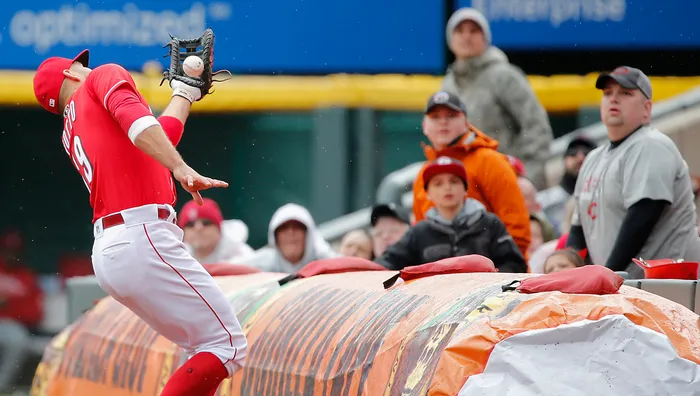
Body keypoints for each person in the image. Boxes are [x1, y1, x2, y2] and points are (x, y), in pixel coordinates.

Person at [32, 49, 247, 395]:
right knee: (228, 345)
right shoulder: (101, 77)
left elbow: (155, 139)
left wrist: (184, 93)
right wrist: (179, 167)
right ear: (70, 75)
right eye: (79, 65)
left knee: (204, 346)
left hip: (113, 248)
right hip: (142, 235)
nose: (86, 67)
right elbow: (139, 127)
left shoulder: (72, 127)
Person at [567, 66, 700, 278]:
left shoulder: (652, 145)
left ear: (647, 109)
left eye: (626, 93)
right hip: (625, 286)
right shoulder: (593, 158)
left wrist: (606, 275)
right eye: (608, 93)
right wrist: (566, 269)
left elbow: (641, 219)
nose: (614, 99)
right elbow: (577, 231)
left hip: (667, 286)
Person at [442, 7, 553, 189]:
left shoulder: (505, 76)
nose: (466, 37)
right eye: (459, 31)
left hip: (504, 182)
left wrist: (526, 179)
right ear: (450, 40)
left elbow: (536, 127)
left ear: (485, 38)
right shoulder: (448, 84)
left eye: (474, 31)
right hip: (463, 188)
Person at [412, 91, 531, 258]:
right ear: (424, 126)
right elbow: (421, 237)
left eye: (451, 115)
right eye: (435, 116)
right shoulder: (423, 174)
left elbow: (517, 230)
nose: (443, 122)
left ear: (466, 122)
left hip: (494, 274)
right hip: (441, 277)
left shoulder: (490, 161)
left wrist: (502, 271)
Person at [378, 157, 527, 273]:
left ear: (465, 189)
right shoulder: (419, 232)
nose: (447, 187)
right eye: (438, 183)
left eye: (454, 181)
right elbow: (388, 262)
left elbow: (514, 264)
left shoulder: (489, 223)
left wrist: (489, 282)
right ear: (428, 194)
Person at [241, 203, 337, 273]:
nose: (291, 233)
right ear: (275, 237)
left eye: (297, 227)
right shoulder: (260, 265)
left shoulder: (327, 264)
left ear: (308, 235)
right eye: (284, 228)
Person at [539, 136, 597, 231]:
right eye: (573, 153)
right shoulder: (546, 202)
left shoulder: (608, 195)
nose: (580, 158)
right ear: (565, 160)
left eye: (587, 152)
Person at [178, 198, 255, 264]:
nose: (198, 228)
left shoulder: (240, 253)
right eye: (190, 224)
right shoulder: (178, 256)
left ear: (219, 229)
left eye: (206, 223)